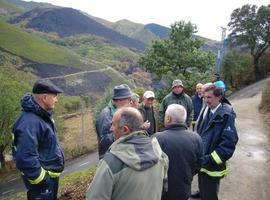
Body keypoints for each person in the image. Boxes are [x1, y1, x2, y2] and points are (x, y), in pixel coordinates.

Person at [86, 107, 169, 200]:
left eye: (113, 124)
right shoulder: (160, 155)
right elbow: (163, 189)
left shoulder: (110, 163)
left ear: (125, 130)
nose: (111, 129)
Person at [12, 80, 64, 200]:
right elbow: (25, 158)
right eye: (54, 96)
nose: (57, 100)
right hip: (41, 186)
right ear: (45, 97)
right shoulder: (29, 123)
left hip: (48, 182)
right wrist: (43, 181)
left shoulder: (41, 116)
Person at [194, 84, 238, 200]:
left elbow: (228, 146)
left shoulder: (226, 116)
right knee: (204, 188)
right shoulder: (209, 110)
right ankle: (201, 193)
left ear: (219, 97)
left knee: (210, 194)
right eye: (204, 97)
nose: (206, 100)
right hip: (204, 162)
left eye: (209, 97)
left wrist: (208, 159)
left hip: (212, 166)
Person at [155, 104, 203, 200]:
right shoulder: (196, 138)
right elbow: (199, 164)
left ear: (168, 119)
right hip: (184, 189)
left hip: (162, 192)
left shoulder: (157, 138)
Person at [95, 84, 132, 159]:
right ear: (119, 100)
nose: (131, 102)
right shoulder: (106, 116)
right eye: (129, 100)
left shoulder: (119, 111)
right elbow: (106, 141)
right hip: (110, 158)